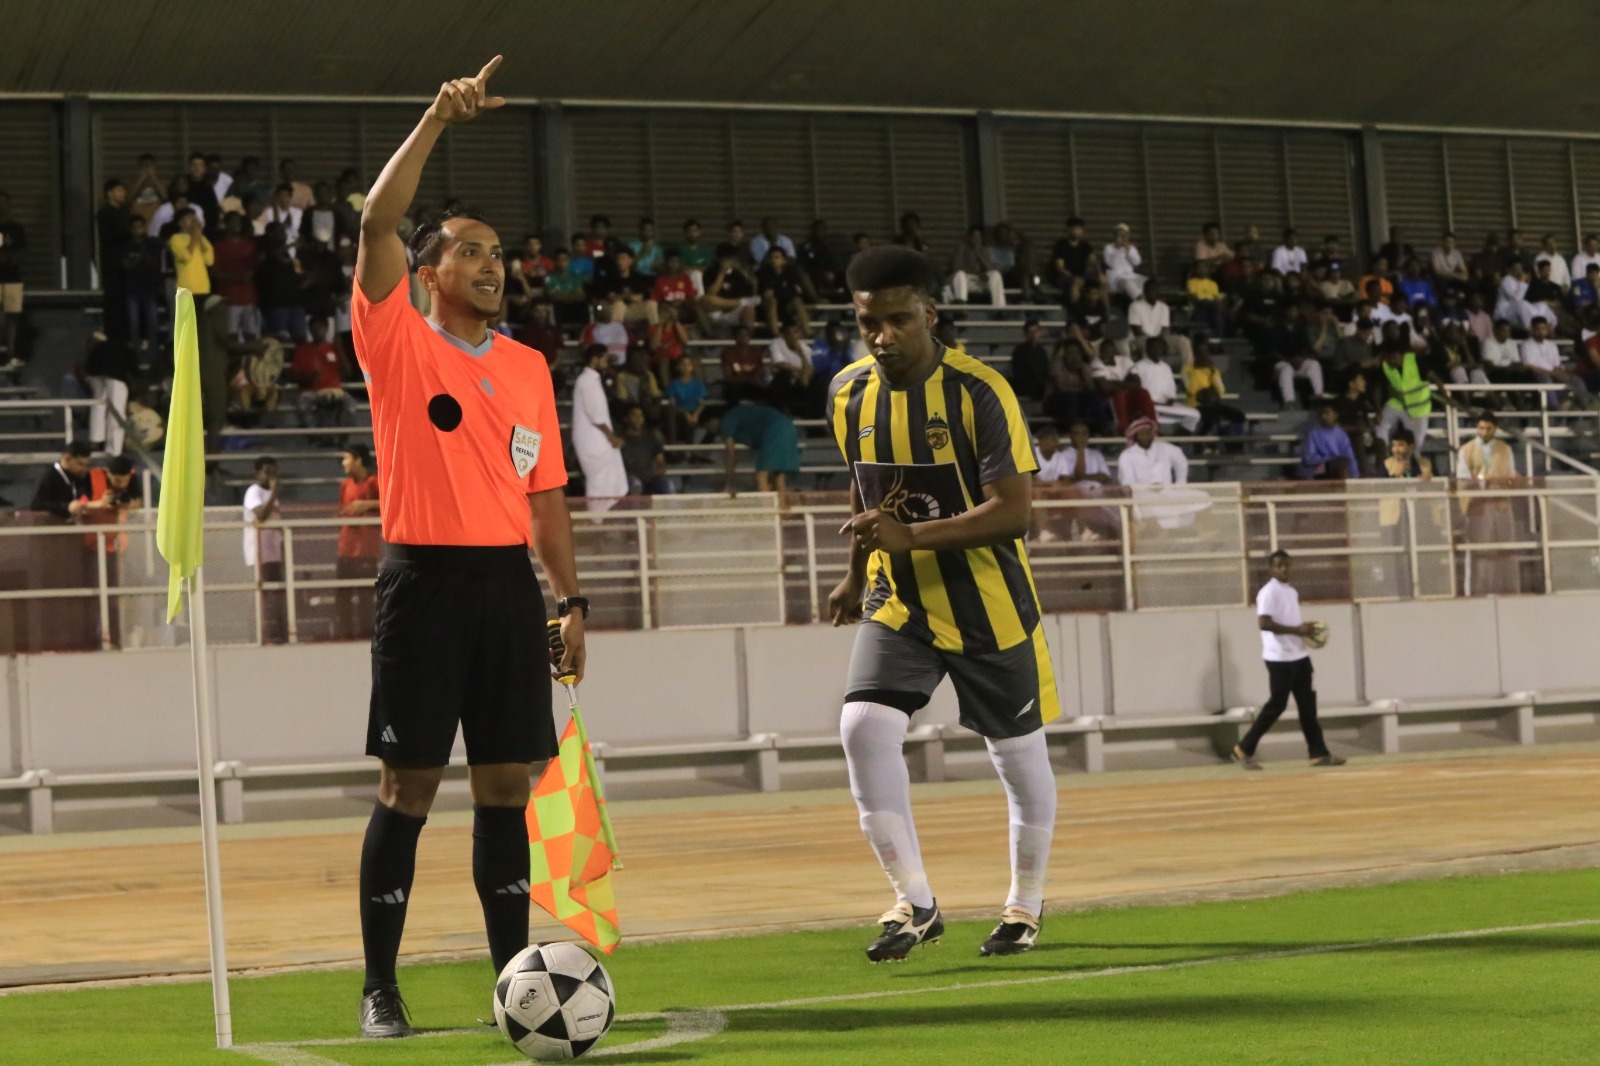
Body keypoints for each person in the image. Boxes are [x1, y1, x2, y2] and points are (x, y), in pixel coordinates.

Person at [349, 57, 586, 1041]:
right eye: (472, 252)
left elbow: (546, 495)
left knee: (504, 787)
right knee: (408, 787)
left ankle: (513, 987)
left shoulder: (528, 366)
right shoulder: (396, 340)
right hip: (424, 583)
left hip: (505, 587)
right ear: (428, 271)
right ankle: (380, 986)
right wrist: (437, 119)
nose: (494, 265)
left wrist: (570, 601)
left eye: (499, 254)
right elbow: (375, 222)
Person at [825, 244, 1058, 962]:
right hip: (899, 601)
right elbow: (865, 486)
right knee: (863, 727)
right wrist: (855, 572)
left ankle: (1024, 905)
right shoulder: (847, 393)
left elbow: (1015, 512)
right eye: (869, 323)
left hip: (988, 601)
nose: (882, 337)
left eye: (898, 320)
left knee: (1017, 759)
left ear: (930, 313)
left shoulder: (980, 392)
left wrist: (910, 536)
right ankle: (915, 902)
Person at [1232, 551, 1344, 771]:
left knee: (1307, 706)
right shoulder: (1268, 592)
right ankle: (1243, 748)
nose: (1284, 569)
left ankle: (1319, 753)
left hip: (1299, 656)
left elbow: (1289, 620)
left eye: (1287, 565)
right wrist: (1296, 630)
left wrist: (1304, 630)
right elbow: (1264, 623)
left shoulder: (1291, 591)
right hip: (1279, 658)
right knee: (1277, 705)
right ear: (1271, 568)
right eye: (1279, 565)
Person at [1455, 412, 1518, 596]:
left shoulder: (1505, 449)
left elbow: (1511, 473)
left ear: (1495, 429)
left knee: (1505, 546)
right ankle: (1476, 590)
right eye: (1481, 428)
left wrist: (1510, 479)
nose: (1484, 432)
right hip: (1478, 505)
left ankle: (1506, 588)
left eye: (1488, 428)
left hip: (1501, 504)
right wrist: (1481, 481)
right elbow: (1462, 478)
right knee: (1478, 548)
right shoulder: (1466, 450)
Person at [571, 343, 629, 508]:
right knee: (599, 482)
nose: (606, 362)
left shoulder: (591, 380)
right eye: (604, 358)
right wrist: (611, 436)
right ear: (595, 359)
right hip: (594, 439)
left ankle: (602, 517)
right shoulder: (587, 381)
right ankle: (596, 518)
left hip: (597, 438)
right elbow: (596, 416)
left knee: (608, 480)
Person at [336, 444, 381, 641]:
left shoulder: (374, 482)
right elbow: (341, 509)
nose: (343, 463)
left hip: (366, 549)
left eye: (347, 458)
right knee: (343, 594)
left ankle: (365, 634)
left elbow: (390, 503)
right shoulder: (345, 485)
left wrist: (366, 505)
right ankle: (345, 633)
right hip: (346, 548)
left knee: (365, 595)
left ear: (358, 460)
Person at [718, 391, 801, 493]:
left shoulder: (727, 420)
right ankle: (781, 500)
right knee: (779, 475)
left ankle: (765, 501)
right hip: (789, 427)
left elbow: (731, 453)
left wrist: (728, 483)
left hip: (776, 430)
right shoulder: (743, 413)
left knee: (761, 476)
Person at [242, 457, 287, 646]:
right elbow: (261, 515)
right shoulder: (254, 492)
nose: (271, 477)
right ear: (258, 473)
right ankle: (262, 635)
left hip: (274, 553)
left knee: (276, 594)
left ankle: (279, 634)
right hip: (259, 553)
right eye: (267, 472)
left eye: (274, 472)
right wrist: (275, 490)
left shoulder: (272, 495)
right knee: (264, 595)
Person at [618, 404, 674, 495]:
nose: (638, 419)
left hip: (648, 479)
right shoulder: (619, 440)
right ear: (626, 419)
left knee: (668, 485)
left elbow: (661, 463)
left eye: (641, 416)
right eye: (634, 415)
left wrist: (657, 471)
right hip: (626, 480)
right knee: (635, 484)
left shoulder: (651, 438)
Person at [0, 190, 29, 364]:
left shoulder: (16, 229)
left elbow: (22, 251)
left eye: (4, 202)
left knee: (12, 315)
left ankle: (10, 352)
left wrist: (13, 257)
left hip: (12, 277)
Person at [30, 442, 94, 518]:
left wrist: (84, 499)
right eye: (80, 464)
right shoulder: (50, 476)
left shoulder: (82, 474)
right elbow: (37, 505)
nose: (83, 469)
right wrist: (67, 507)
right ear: (67, 458)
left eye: (86, 465)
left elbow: (85, 490)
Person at [1299, 402, 1359, 480]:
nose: (1324, 417)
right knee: (1337, 463)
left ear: (1335, 415)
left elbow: (1350, 457)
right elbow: (1309, 458)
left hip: (1339, 468)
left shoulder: (1341, 434)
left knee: (1342, 463)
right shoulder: (1314, 434)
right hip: (1320, 470)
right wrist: (1330, 458)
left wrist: (1355, 477)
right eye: (1322, 414)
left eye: (1327, 413)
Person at [948, 225, 1006, 306]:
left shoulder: (985, 250)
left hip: (981, 282)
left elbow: (990, 268)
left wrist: (979, 254)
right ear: (969, 238)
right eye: (974, 237)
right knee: (960, 275)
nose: (976, 239)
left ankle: (999, 307)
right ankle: (961, 305)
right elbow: (956, 268)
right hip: (968, 281)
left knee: (996, 274)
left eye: (979, 237)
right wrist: (974, 272)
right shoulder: (962, 249)